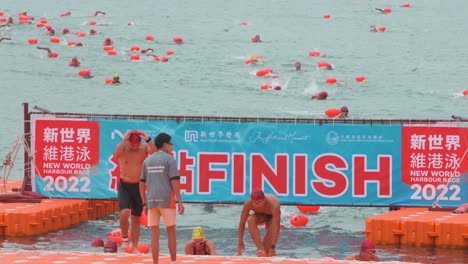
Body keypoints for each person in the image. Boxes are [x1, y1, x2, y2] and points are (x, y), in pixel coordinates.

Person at [140, 132, 185, 264]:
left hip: (151, 201)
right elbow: (174, 182)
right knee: (171, 231)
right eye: (171, 144)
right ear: (165, 145)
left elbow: (141, 183)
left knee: (154, 234)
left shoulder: (147, 160)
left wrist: (144, 203)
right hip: (166, 200)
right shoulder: (169, 159)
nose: (172, 147)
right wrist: (180, 202)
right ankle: (173, 262)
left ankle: (155, 262)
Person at [113, 130, 157, 252]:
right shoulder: (123, 148)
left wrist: (147, 139)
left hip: (138, 185)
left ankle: (136, 246)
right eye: (132, 143)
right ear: (128, 140)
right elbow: (116, 155)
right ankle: (125, 239)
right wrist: (124, 140)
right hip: (125, 185)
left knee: (136, 218)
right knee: (124, 212)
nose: (134, 146)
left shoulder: (143, 148)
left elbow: (154, 153)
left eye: (137, 143)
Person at [236, 189, 281, 257]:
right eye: (254, 203)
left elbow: (276, 227)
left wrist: (273, 247)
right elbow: (242, 223)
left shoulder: (273, 204)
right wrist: (240, 241)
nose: (256, 205)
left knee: (268, 247)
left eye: (259, 202)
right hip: (260, 216)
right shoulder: (248, 203)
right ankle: (261, 249)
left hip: (272, 217)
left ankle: (267, 251)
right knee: (250, 219)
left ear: (264, 199)